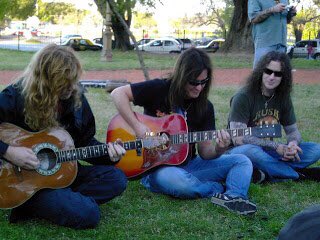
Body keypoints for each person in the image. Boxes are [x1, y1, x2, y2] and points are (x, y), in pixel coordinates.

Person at [111, 48, 257, 215]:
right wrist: (138, 127)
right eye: (194, 82)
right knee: (178, 183)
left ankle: (233, 197)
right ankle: (218, 188)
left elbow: (205, 153)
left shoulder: (205, 107)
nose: (199, 88)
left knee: (242, 160)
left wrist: (220, 148)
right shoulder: (159, 88)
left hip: (191, 164)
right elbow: (118, 93)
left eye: (204, 82)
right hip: (158, 168)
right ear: (182, 76)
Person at [0, 44, 127, 229]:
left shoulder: (75, 98)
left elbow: (85, 142)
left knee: (116, 178)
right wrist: (9, 151)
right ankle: (34, 198)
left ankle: (47, 200)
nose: (71, 87)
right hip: (20, 178)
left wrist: (109, 154)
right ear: (45, 80)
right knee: (89, 214)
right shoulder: (14, 96)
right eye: (63, 82)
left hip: (61, 173)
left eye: (73, 80)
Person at [228, 51, 320, 183]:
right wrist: (276, 146)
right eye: (268, 71)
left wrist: (292, 145)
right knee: (251, 152)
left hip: (270, 152)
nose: (272, 77)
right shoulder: (243, 97)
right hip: (242, 152)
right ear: (261, 71)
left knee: (315, 150)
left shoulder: (283, 97)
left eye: (278, 74)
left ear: (284, 77)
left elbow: (293, 131)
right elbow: (238, 139)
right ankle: (298, 175)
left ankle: (267, 173)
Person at [248, 0, 297, 68]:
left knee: (279, 73)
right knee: (260, 72)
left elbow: (287, 20)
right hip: (265, 42)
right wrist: (272, 10)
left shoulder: (285, 0)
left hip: (282, 43)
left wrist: (291, 13)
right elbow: (253, 18)